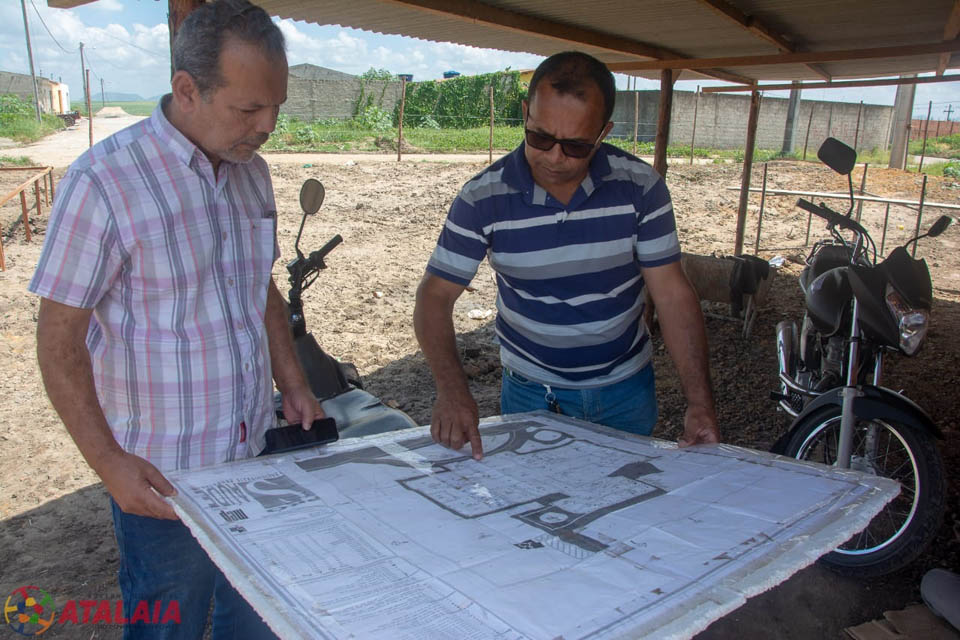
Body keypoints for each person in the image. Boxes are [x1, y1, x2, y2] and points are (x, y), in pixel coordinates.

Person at [30, 1, 322, 637]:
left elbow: (260, 286)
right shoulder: (104, 182)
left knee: (258, 616)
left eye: (276, 106)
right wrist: (108, 462)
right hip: (163, 483)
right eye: (249, 109)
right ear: (187, 90)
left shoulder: (252, 173)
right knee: (170, 624)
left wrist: (293, 383)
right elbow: (57, 342)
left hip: (254, 458)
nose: (268, 125)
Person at [414, 51, 719, 460]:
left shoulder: (641, 188)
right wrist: (453, 392)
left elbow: (672, 295)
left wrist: (699, 402)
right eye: (539, 137)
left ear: (604, 131)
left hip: (626, 393)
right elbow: (434, 297)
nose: (554, 157)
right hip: (531, 395)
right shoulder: (482, 197)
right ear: (525, 112)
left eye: (576, 145)